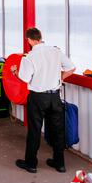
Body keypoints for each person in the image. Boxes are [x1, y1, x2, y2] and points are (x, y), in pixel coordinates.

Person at [11, 28, 75, 174]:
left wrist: (15, 71)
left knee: (34, 130)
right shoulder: (56, 51)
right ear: (40, 37)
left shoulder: (30, 57)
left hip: (38, 97)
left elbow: (25, 78)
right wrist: (59, 79)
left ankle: (31, 164)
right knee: (58, 131)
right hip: (55, 96)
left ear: (29, 40)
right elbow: (71, 68)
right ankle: (59, 164)